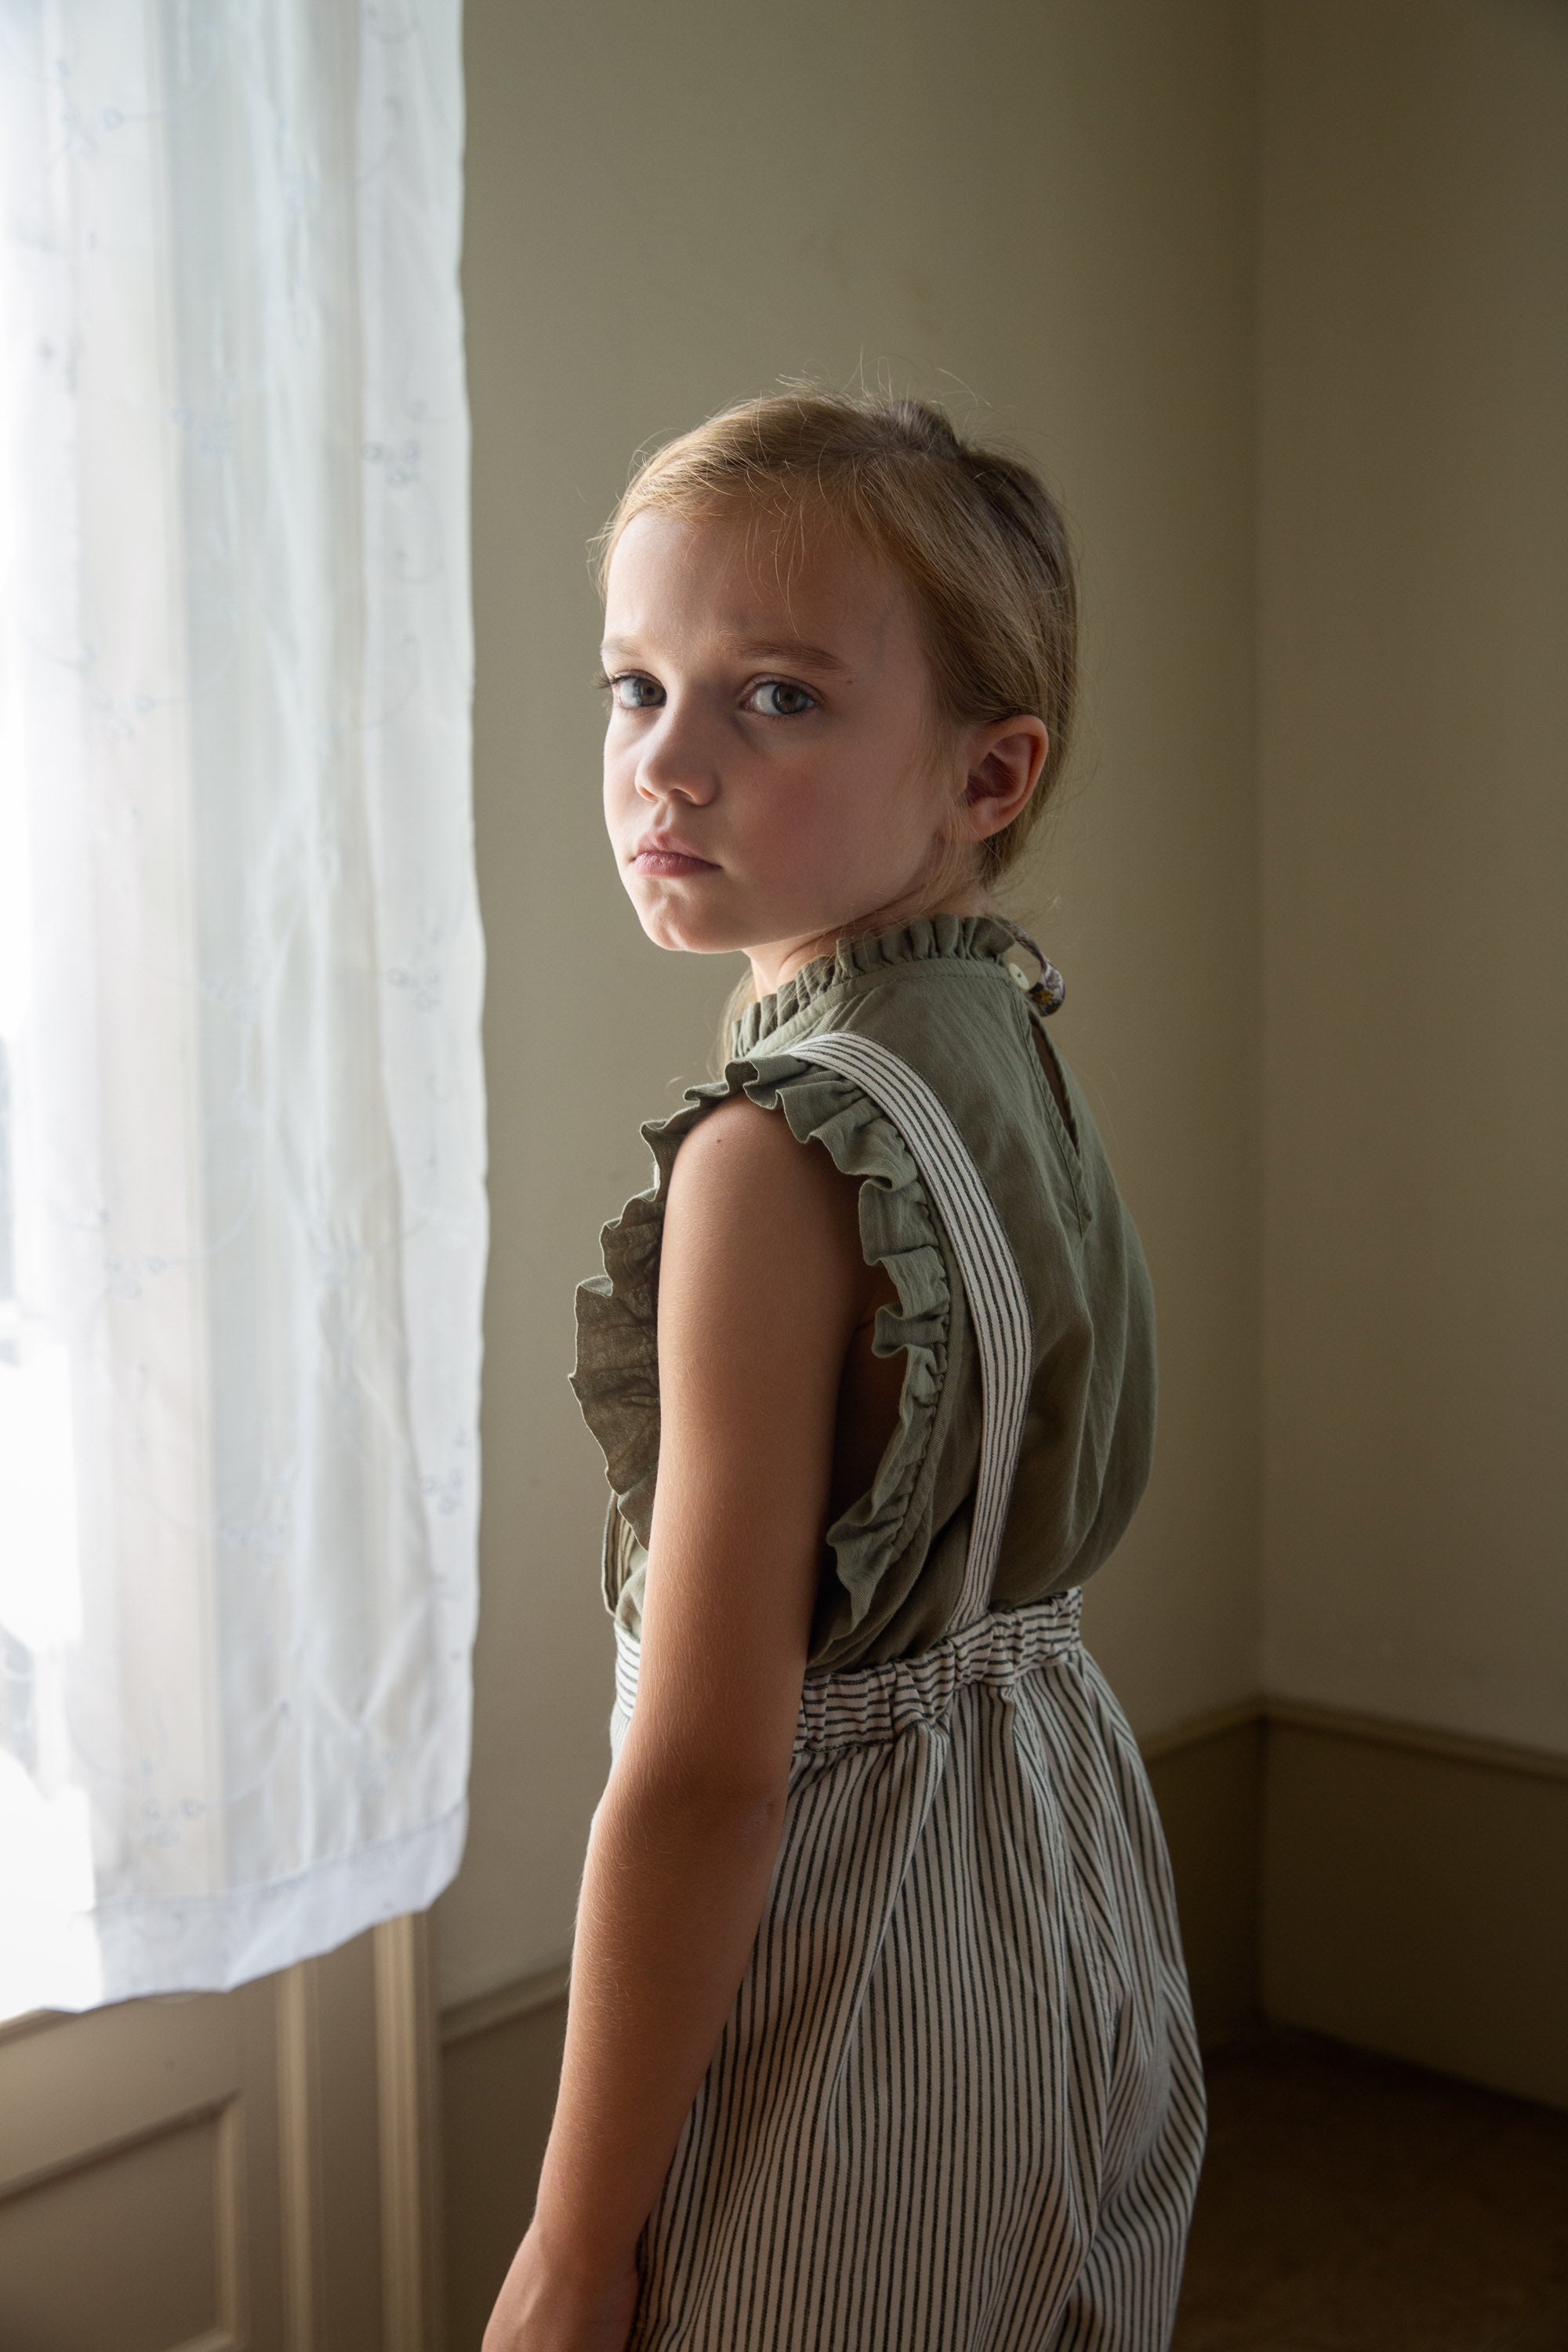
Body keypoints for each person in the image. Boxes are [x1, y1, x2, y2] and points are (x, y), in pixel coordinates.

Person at [484, 390, 1205, 2352]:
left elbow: (709, 1776)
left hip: (858, 1956)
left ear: (988, 773)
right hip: (1064, 1864)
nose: (669, 763)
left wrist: (571, 2247)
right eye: (636, 689)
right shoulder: (1008, 1044)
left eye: (777, 697)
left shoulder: (768, 1161)